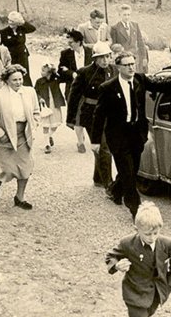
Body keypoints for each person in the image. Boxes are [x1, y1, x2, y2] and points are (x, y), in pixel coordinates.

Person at [105, 201, 171, 317]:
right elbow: (110, 257)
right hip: (134, 292)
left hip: (156, 293)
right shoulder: (127, 243)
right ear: (137, 230)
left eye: (156, 233)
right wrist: (117, 266)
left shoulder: (168, 244)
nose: (152, 237)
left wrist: (169, 284)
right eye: (147, 234)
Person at [91, 51, 148, 219]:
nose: (131, 67)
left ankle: (115, 191)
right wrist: (95, 141)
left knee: (133, 169)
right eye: (127, 65)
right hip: (118, 136)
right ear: (118, 67)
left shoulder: (140, 80)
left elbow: (160, 84)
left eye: (132, 64)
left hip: (137, 134)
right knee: (129, 174)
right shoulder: (108, 87)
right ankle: (136, 210)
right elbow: (99, 115)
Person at [0, 64, 40, 210]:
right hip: (4, 136)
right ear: (7, 80)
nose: (19, 82)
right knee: (6, 170)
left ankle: (19, 198)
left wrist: (34, 124)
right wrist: (0, 134)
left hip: (23, 135)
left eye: (20, 79)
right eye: (14, 80)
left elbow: (36, 112)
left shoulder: (29, 92)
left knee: (25, 168)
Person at [66, 42, 116, 187]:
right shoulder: (84, 72)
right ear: (94, 58)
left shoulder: (114, 70)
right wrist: (71, 118)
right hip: (91, 115)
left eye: (107, 56)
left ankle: (98, 178)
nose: (105, 60)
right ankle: (109, 184)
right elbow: (74, 96)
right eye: (101, 57)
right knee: (103, 147)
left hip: (110, 114)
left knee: (103, 146)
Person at [34, 63, 65, 154]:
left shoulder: (56, 79)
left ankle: (49, 136)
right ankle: (46, 144)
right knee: (46, 125)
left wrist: (55, 70)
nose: (41, 72)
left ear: (49, 72)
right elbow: (35, 91)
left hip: (55, 104)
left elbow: (62, 78)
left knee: (55, 125)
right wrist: (40, 99)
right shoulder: (39, 81)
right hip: (45, 106)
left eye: (43, 71)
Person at [0, 11, 36, 86]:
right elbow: (0, 45)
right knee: (13, 74)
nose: (10, 23)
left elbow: (32, 29)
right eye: (9, 20)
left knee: (24, 74)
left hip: (22, 56)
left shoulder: (21, 29)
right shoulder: (3, 32)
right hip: (11, 57)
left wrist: (23, 22)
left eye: (12, 21)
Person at [109, 4, 149, 74]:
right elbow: (113, 46)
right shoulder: (115, 28)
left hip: (135, 57)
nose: (127, 17)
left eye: (128, 15)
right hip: (123, 59)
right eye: (124, 15)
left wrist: (144, 57)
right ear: (119, 15)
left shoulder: (135, 25)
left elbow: (141, 43)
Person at [57, 29, 93, 101]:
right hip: (72, 89)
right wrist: (72, 73)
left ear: (79, 42)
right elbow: (60, 70)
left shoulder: (90, 52)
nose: (69, 44)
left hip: (89, 89)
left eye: (71, 42)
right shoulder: (65, 54)